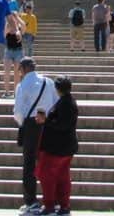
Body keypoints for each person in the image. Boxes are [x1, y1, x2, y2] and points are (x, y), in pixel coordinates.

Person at [13, 57, 59, 215]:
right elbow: (55, 103)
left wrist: (22, 124)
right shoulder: (49, 82)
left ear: (24, 69)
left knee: (29, 164)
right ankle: (54, 200)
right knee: (49, 163)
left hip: (31, 124)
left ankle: (31, 201)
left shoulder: (23, 85)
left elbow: (18, 111)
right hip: (47, 124)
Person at [36, 75, 79, 216]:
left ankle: (49, 205)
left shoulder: (65, 103)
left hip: (56, 148)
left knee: (47, 176)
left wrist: (45, 121)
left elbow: (62, 125)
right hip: (65, 147)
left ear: (58, 88)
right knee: (62, 177)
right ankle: (63, 205)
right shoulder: (68, 101)